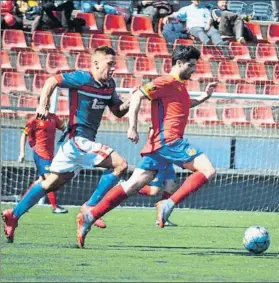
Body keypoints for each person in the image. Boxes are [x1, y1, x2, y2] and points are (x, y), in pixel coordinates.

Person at [76, 45, 217, 248]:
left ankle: (89, 216)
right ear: (179, 63)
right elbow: (138, 95)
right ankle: (168, 203)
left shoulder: (178, 86)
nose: (194, 69)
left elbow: (183, 104)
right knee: (208, 170)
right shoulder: (166, 81)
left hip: (159, 145)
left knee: (134, 184)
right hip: (169, 141)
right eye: (191, 65)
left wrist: (203, 98)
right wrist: (132, 126)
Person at [1, 46, 130, 243]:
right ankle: (91, 206)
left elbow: (118, 112)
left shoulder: (109, 86)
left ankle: (14, 215)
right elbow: (52, 80)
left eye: (115, 64)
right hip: (77, 140)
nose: (113, 68)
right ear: (96, 63)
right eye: (110, 64)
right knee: (120, 164)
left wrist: (133, 99)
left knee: (51, 183)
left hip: (76, 144)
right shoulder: (82, 78)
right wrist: (42, 104)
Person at [18, 110, 68, 214]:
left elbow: (64, 128)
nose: (46, 105)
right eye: (44, 103)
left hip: (49, 154)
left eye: (47, 103)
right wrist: (22, 153)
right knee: (51, 179)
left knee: (41, 180)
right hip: (40, 153)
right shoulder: (34, 119)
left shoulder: (53, 117)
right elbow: (24, 134)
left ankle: (22, 202)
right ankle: (55, 207)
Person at [163, 0, 228, 46]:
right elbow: (176, 14)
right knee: (199, 31)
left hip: (205, 27)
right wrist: (168, 17)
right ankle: (208, 44)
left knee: (214, 31)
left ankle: (220, 44)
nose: (198, 0)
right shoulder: (186, 9)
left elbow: (209, 18)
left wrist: (208, 24)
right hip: (194, 28)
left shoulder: (204, 9)